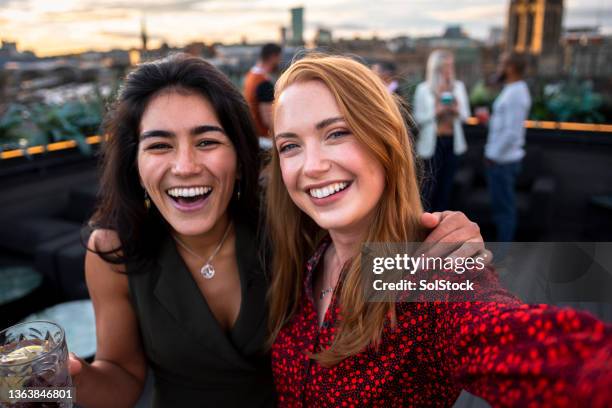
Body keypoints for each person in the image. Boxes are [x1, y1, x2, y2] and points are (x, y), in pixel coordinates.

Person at [67, 53, 489, 408]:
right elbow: (121, 376)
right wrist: (67, 379)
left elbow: (395, 263)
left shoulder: (293, 225)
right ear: (134, 165)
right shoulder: (114, 251)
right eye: (159, 145)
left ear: (240, 155)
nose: (184, 166)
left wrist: (447, 242)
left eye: (207, 141)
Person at [267, 54, 612, 406]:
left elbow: (531, 347)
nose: (311, 166)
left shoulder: (428, 274)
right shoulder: (303, 253)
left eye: (337, 133)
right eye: (290, 146)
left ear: (386, 139)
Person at [413, 50, 470, 212]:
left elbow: (465, 116)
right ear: (435, 68)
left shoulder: (458, 87)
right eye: (445, 66)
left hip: (452, 143)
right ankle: (421, 229)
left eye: (451, 66)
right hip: (432, 145)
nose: (449, 70)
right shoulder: (423, 89)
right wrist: (436, 112)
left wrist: (456, 110)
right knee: (427, 189)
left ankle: (440, 232)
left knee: (445, 190)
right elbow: (417, 118)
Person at [485, 52, 531, 242]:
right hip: (500, 160)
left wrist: (493, 156)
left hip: (502, 162)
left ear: (510, 67)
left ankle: (503, 256)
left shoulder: (517, 93)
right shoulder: (511, 89)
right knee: (500, 209)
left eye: (501, 63)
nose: (498, 67)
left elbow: (512, 133)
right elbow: (505, 125)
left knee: (504, 211)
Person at [243, 43, 282, 140]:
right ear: (273, 57)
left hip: (254, 135)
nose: (279, 61)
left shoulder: (250, 76)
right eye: (279, 58)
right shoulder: (263, 83)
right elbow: (268, 120)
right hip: (265, 139)